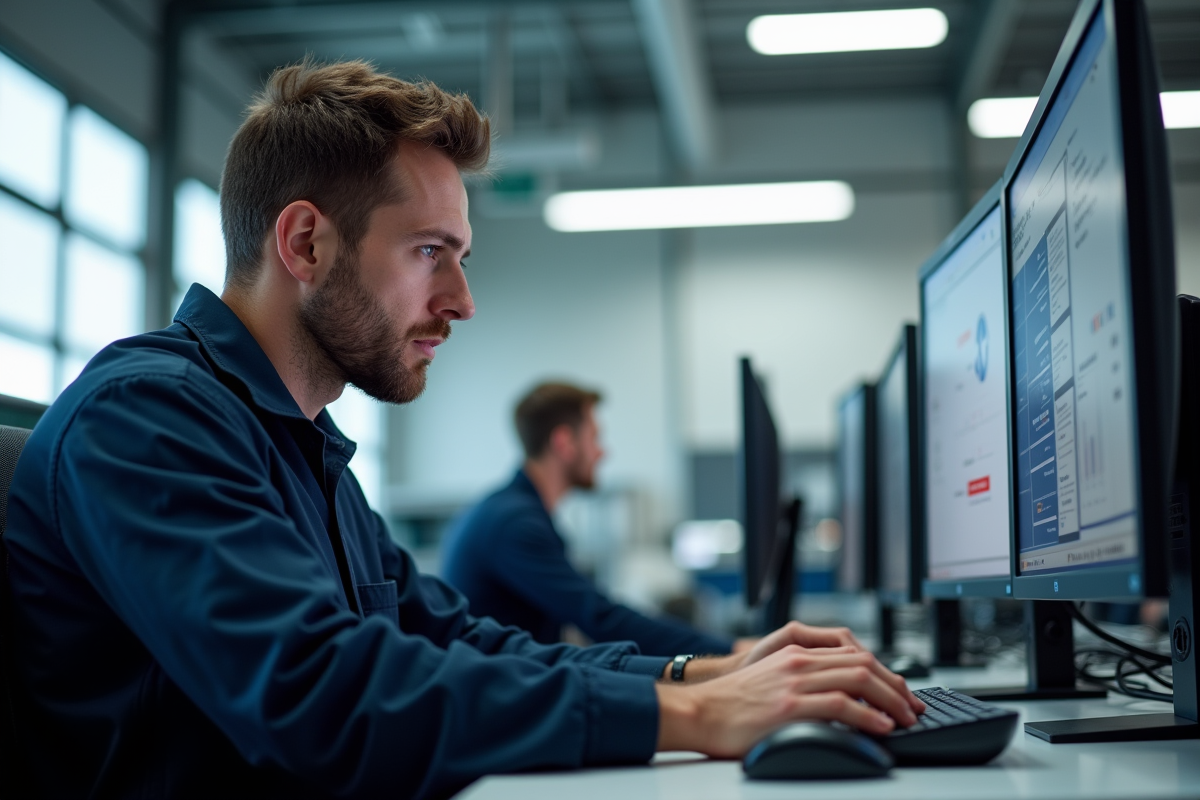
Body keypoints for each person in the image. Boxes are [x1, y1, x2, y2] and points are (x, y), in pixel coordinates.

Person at [4, 60, 923, 799]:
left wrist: (702, 672)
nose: (462, 302)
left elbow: (460, 641)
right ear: (305, 244)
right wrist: (694, 720)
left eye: (461, 257)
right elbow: (320, 695)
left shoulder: (304, 447)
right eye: (429, 254)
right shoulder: (146, 419)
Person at [443, 382, 747, 657]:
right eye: (595, 437)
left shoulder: (514, 510)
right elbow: (600, 618)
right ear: (564, 443)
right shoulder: (514, 524)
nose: (603, 453)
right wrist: (733, 649)